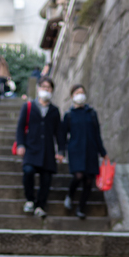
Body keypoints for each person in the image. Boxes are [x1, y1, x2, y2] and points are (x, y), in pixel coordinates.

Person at [14, 76, 65, 218]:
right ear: (38, 88)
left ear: (52, 90)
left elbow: (59, 132)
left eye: (48, 88)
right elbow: (20, 127)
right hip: (31, 147)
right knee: (28, 171)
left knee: (46, 178)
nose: (45, 90)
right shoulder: (29, 106)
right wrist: (21, 144)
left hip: (48, 150)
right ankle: (30, 199)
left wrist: (61, 150)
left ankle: (40, 205)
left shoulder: (54, 110)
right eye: (43, 87)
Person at [62, 84, 107, 219]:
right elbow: (63, 135)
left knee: (89, 180)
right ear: (72, 96)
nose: (80, 95)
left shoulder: (92, 113)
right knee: (78, 176)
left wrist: (103, 152)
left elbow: (97, 134)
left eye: (82, 92)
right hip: (75, 150)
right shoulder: (69, 115)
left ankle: (81, 208)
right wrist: (62, 151)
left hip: (91, 149)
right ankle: (70, 195)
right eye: (77, 92)